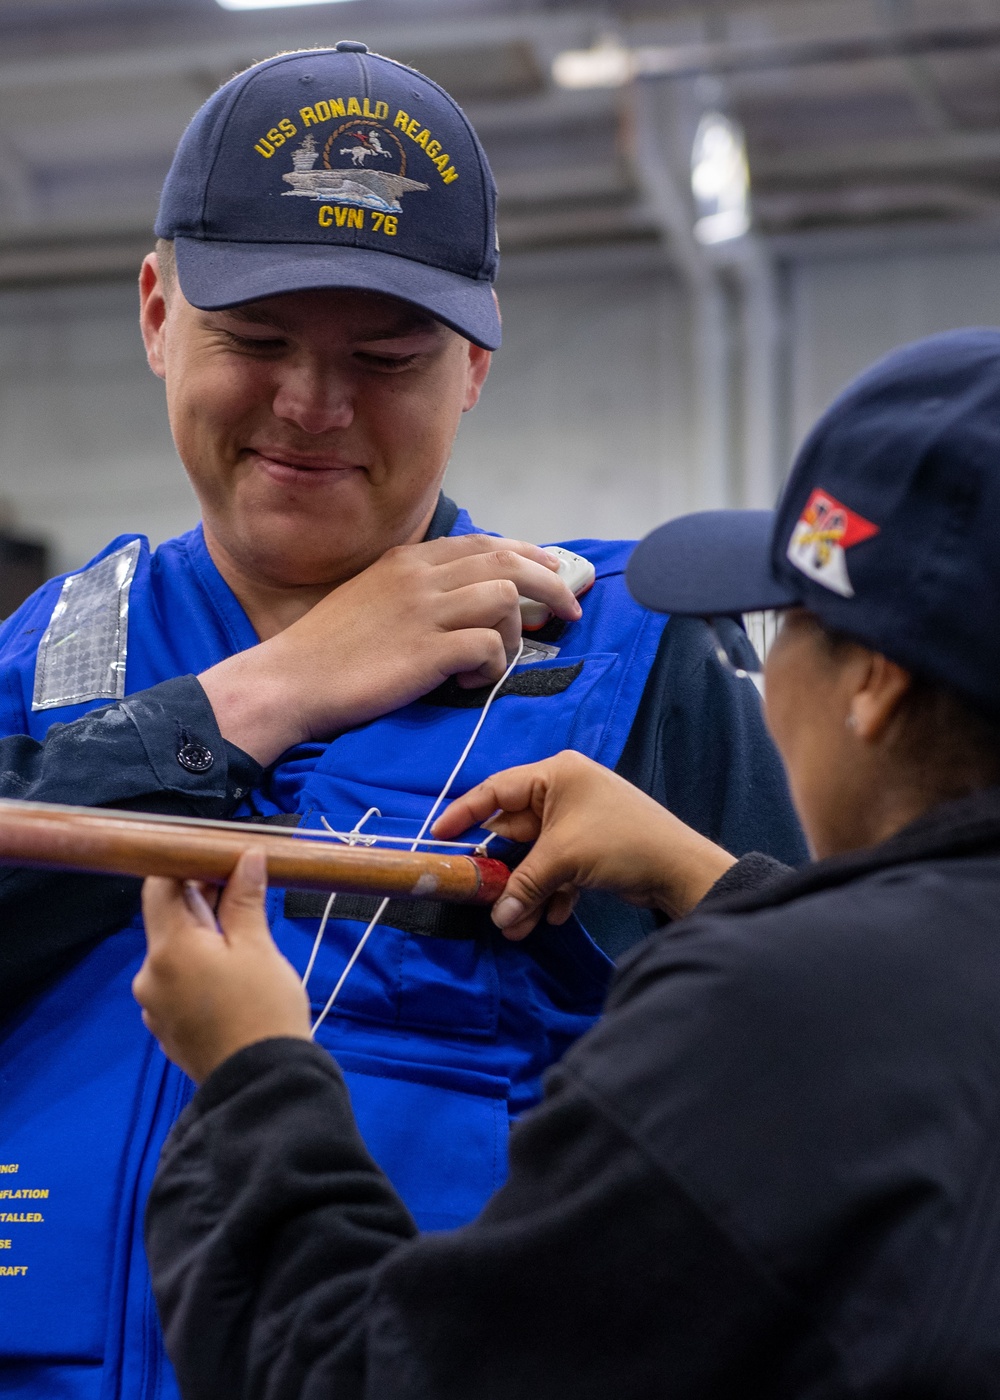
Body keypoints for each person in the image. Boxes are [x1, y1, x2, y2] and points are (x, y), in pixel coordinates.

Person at [0, 42, 803, 1400]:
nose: (312, 408)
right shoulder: (44, 654)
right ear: (154, 311)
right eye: (255, 341)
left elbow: (825, 1076)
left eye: (387, 357)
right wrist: (280, 688)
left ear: (475, 364)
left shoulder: (625, 658)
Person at [138, 329, 1000, 1399]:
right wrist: (716, 883)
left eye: (790, 631)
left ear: (870, 682)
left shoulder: (755, 1023)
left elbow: (360, 1374)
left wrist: (250, 1073)